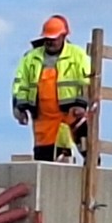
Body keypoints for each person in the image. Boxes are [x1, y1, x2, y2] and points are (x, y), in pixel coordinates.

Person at [12, 15, 91, 161]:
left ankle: (94, 180)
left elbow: (87, 81)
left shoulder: (77, 55)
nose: (50, 41)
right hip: (43, 117)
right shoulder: (30, 57)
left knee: (89, 150)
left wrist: (82, 104)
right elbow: (20, 84)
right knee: (44, 158)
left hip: (72, 113)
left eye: (53, 38)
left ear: (63, 36)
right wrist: (19, 107)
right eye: (47, 38)